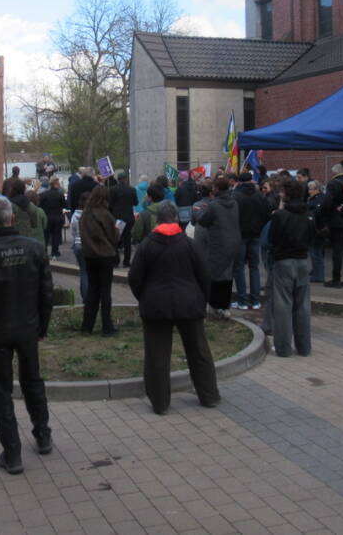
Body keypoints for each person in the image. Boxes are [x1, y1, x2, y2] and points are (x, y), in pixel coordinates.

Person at [0, 196, 54, 475]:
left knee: (2, 391)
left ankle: (13, 451)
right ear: (12, 219)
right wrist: (42, 327)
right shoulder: (35, 248)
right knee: (33, 381)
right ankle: (42, 435)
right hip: (27, 327)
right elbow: (46, 293)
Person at [129, 201, 221, 415]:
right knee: (199, 351)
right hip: (189, 303)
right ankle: (209, 396)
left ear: (158, 220)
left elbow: (135, 278)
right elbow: (205, 276)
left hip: (155, 306)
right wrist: (202, 300)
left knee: (156, 356)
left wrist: (144, 297)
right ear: (177, 219)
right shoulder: (190, 245)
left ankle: (160, 403)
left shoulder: (146, 246)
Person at [265, 180, 315, 357]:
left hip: (284, 261)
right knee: (302, 306)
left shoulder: (281, 216)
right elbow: (313, 237)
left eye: (282, 191)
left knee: (283, 305)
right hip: (302, 260)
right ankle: (304, 347)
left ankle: (284, 348)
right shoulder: (308, 215)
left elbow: (272, 238)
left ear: (287, 194)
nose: (280, 194)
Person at [193, 177, 241, 319]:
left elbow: (204, 220)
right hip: (233, 241)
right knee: (227, 274)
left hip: (218, 242)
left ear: (216, 189)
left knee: (214, 274)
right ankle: (225, 306)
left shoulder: (214, 205)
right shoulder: (234, 203)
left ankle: (214, 306)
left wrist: (197, 212)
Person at [78, 185, 119, 336]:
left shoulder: (85, 215)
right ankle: (107, 326)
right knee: (105, 291)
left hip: (89, 255)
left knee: (92, 291)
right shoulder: (105, 214)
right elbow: (114, 237)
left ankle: (87, 326)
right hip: (105, 255)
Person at [232, 171, 270, 311]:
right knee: (254, 267)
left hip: (240, 235)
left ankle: (242, 300)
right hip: (255, 235)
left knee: (239, 267)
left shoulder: (235, 196)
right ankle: (255, 300)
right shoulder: (259, 196)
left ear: (239, 182)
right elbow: (267, 214)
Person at [323, 164, 343, 288]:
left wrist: (327, 214)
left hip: (336, 220)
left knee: (337, 250)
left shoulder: (333, 183)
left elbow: (328, 202)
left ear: (334, 172)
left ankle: (336, 279)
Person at [109, 172, 138, 266]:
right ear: (126, 179)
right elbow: (135, 203)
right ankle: (126, 261)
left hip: (118, 219)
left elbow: (110, 204)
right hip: (129, 218)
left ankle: (116, 261)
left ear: (118, 179)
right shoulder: (132, 189)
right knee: (127, 240)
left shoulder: (113, 189)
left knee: (116, 239)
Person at [305, 180, 329, 283]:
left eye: (310, 189)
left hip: (317, 230)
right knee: (317, 253)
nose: (309, 191)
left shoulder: (319, 199)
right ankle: (316, 272)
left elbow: (317, 213)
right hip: (317, 229)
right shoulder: (317, 198)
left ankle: (318, 275)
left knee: (316, 253)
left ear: (317, 189)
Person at [38, 177, 67, 258]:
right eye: (58, 183)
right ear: (55, 184)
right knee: (56, 235)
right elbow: (65, 205)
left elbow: (39, 205)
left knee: (46, 235)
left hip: (47, 217)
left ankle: (44, 251)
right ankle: (55, 252)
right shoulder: (60, 194)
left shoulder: (44, 194)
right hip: (58, 217)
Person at [69, 193, 89, 301]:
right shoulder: (90, 214)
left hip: (78, 243)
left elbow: (72, 231)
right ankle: (90, 295)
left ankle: (85, 296)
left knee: (83, 271)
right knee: (89, 271)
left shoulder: (75, 215)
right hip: (89, 244)